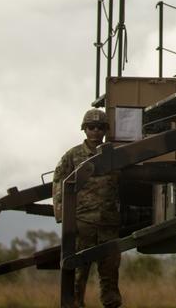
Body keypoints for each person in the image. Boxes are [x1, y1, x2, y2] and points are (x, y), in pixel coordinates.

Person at [53, 108, 122, 308]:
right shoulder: (72, 156)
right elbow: (58, 183)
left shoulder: (114, 155)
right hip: (82, 223)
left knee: (110, 273)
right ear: (84, 129)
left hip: (108, 223)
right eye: (91, 127)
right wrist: (62, 215)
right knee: (78, 273)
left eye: (100, 127)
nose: (95, 132)